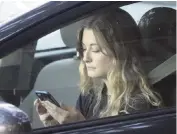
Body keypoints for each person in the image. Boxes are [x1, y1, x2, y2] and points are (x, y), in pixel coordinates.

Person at [34, 8, 162, 127]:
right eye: (83, 49)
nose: (86, 58)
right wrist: (55, 124)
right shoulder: (90, 95)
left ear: (120, 52)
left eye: (95, 50)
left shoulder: (140, 105)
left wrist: (79, 124)